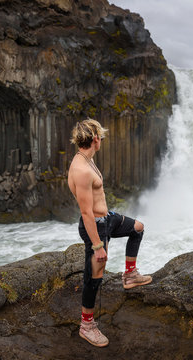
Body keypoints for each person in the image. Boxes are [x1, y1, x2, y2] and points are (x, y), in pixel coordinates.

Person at [67, 118, 152, 347]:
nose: (102, 140)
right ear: (94, 139)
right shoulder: (82, 170)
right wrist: (97, 246)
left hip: (107, 218)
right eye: (101, 136)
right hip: (96, 227)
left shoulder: (87, 159)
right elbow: (86, 213)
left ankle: (130, 275)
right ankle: (86, 326)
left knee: (138, 228)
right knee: (93, 278)